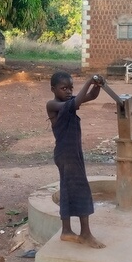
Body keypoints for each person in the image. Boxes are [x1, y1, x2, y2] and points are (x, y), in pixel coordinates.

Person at [46, 71, 106, 248]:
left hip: (73, 153)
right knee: (81, 190)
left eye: (71, 88)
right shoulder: (53, 104)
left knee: (67, 189)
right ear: (53, 89)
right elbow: (78, 100)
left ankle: (66, 231)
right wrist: (88, 81)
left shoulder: (69, 103)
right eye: (64, 88)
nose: (68, 91)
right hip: (66, 154)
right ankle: (85, 234)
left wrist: (98, 85)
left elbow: (91, 96)